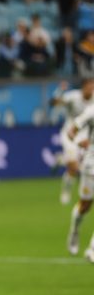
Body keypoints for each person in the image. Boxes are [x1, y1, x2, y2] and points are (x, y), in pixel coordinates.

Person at [50, 78, 94, 205]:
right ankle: (66, 190)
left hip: (86, 136)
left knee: (78, 166)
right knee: (74, 167)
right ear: (83, 87)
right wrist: (60, 91)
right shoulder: (73, 96)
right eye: (90, 86)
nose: (92, 88)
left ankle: (61, 159)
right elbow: (54, 103)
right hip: (69, 133)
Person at [63, 105, 94, 260]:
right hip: (91, 165)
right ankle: (74, 229)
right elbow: (71, 131)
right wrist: (79, 141)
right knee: (85, 206)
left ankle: (92, 249)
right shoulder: (91, 111)